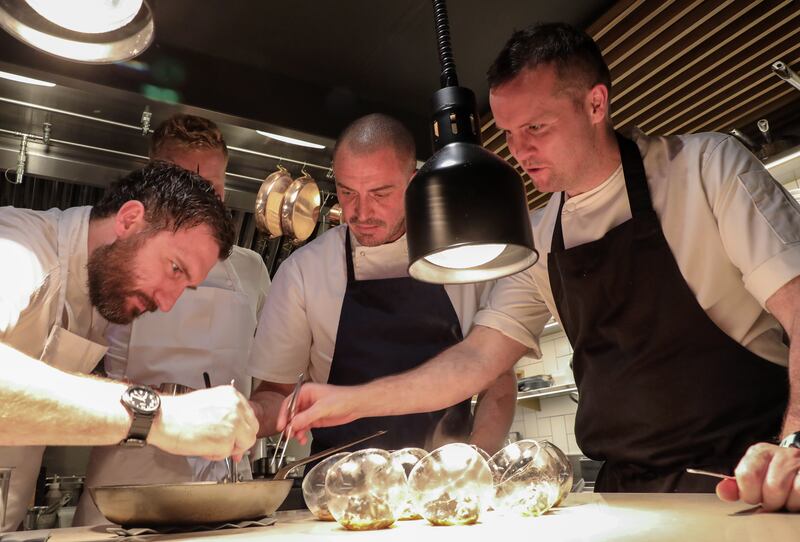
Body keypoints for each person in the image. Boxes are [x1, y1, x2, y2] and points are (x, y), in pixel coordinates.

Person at [276, 23, 800, 509]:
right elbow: (476, 361)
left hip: (749, 479)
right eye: (506, 132)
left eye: (536, 127)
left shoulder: (707, 170)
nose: (519, 151)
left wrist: (795, 440)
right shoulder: (540, 233)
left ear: (596, 104)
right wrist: (349, 401)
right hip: (626, 494)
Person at [0, 161, 259, 531]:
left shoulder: (98, 288)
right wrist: (157, 417)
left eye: (186, 287)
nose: (168, 304)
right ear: (129, 219)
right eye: (174, 268)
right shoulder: (18, 248)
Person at [248, 113, 517, 460]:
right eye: (347, 192)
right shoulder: (304, 272)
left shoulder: (464, 257)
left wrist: (476, 461)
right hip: (342, 489)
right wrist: (251, 416)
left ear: (414, 183)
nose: (361, 212)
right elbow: (275, 393)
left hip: (445, 483)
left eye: (380, 193)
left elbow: (498, 379)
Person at [73, 115, 271, 526]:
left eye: (212, 188)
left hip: (227, 478)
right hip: (129, 475)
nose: (201, 202)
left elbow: (272, 375)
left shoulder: (251, 270)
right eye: (183, 183)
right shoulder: (115, 259)